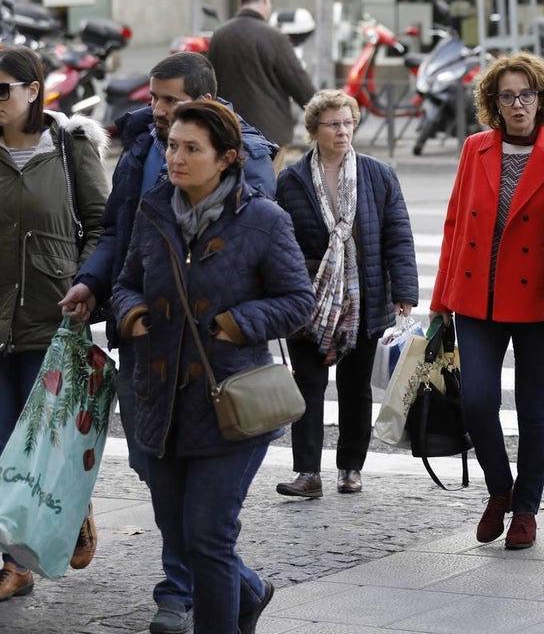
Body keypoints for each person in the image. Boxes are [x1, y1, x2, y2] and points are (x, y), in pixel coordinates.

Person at [58, 51, 277, 634]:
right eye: (153, 100)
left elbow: (274, 276)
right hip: (151, 357)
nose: (158, 114)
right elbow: (121, 241)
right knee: (158, 481)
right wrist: (107, 295)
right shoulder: (142, 157)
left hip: (217, 371)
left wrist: (234, 323)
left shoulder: (249, 165)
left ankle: (183, 591)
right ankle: (243, 587)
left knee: (206, 525)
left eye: (171, 102)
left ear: (206, 101)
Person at [111, 101, 314, 634]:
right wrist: (129, 312)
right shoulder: (155, 210)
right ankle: (251, 593)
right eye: (172, 146)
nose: (175, 157)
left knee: (208, 538)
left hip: (231, 404)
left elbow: (299, 301)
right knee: (183, 537)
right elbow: (127, 280)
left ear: (226, 158)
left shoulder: (263, 220)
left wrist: (239, 321)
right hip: (162, 402)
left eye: (190, 149)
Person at [430, 52, 544, 550]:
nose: (518, 105)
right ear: (493, 102)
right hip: (477, 297)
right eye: (508, 96)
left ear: (542, 98)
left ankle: (526, 509)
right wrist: (439, 299)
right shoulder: (476, 148)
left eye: (527, 94)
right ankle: (500, 490)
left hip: (541, 302)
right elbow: (455, 225)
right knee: (477, 401)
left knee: (534, 407)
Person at [0, 46, 108, 601]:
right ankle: (13, 563)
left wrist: (83, 281)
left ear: (33, 91)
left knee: (43, 443)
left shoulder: (70, 148)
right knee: (2, 446)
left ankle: (71, 512)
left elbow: (101, 224)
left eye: (2, 91)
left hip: (53, 317)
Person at [275, 90, 417, 499]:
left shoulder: (378, 174)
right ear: (314, 130)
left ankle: (350, 467)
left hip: (364, 297)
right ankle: (307, 472)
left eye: (348, 123)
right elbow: (282, 242)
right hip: (310, 301)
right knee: (308, 385)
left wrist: (404, 291)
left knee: (355, 389)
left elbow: (398, 235)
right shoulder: (292, 180)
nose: (342, 131)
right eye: (333, 124)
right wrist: (294, 285)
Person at [207, 0, 316, 150]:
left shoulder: (219, 36)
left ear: (240, 0)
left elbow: (210, 84)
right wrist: (323, 112)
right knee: (267, 178)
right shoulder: (275, 37)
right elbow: (300, 86)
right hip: (269, 136)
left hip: (227, 131)